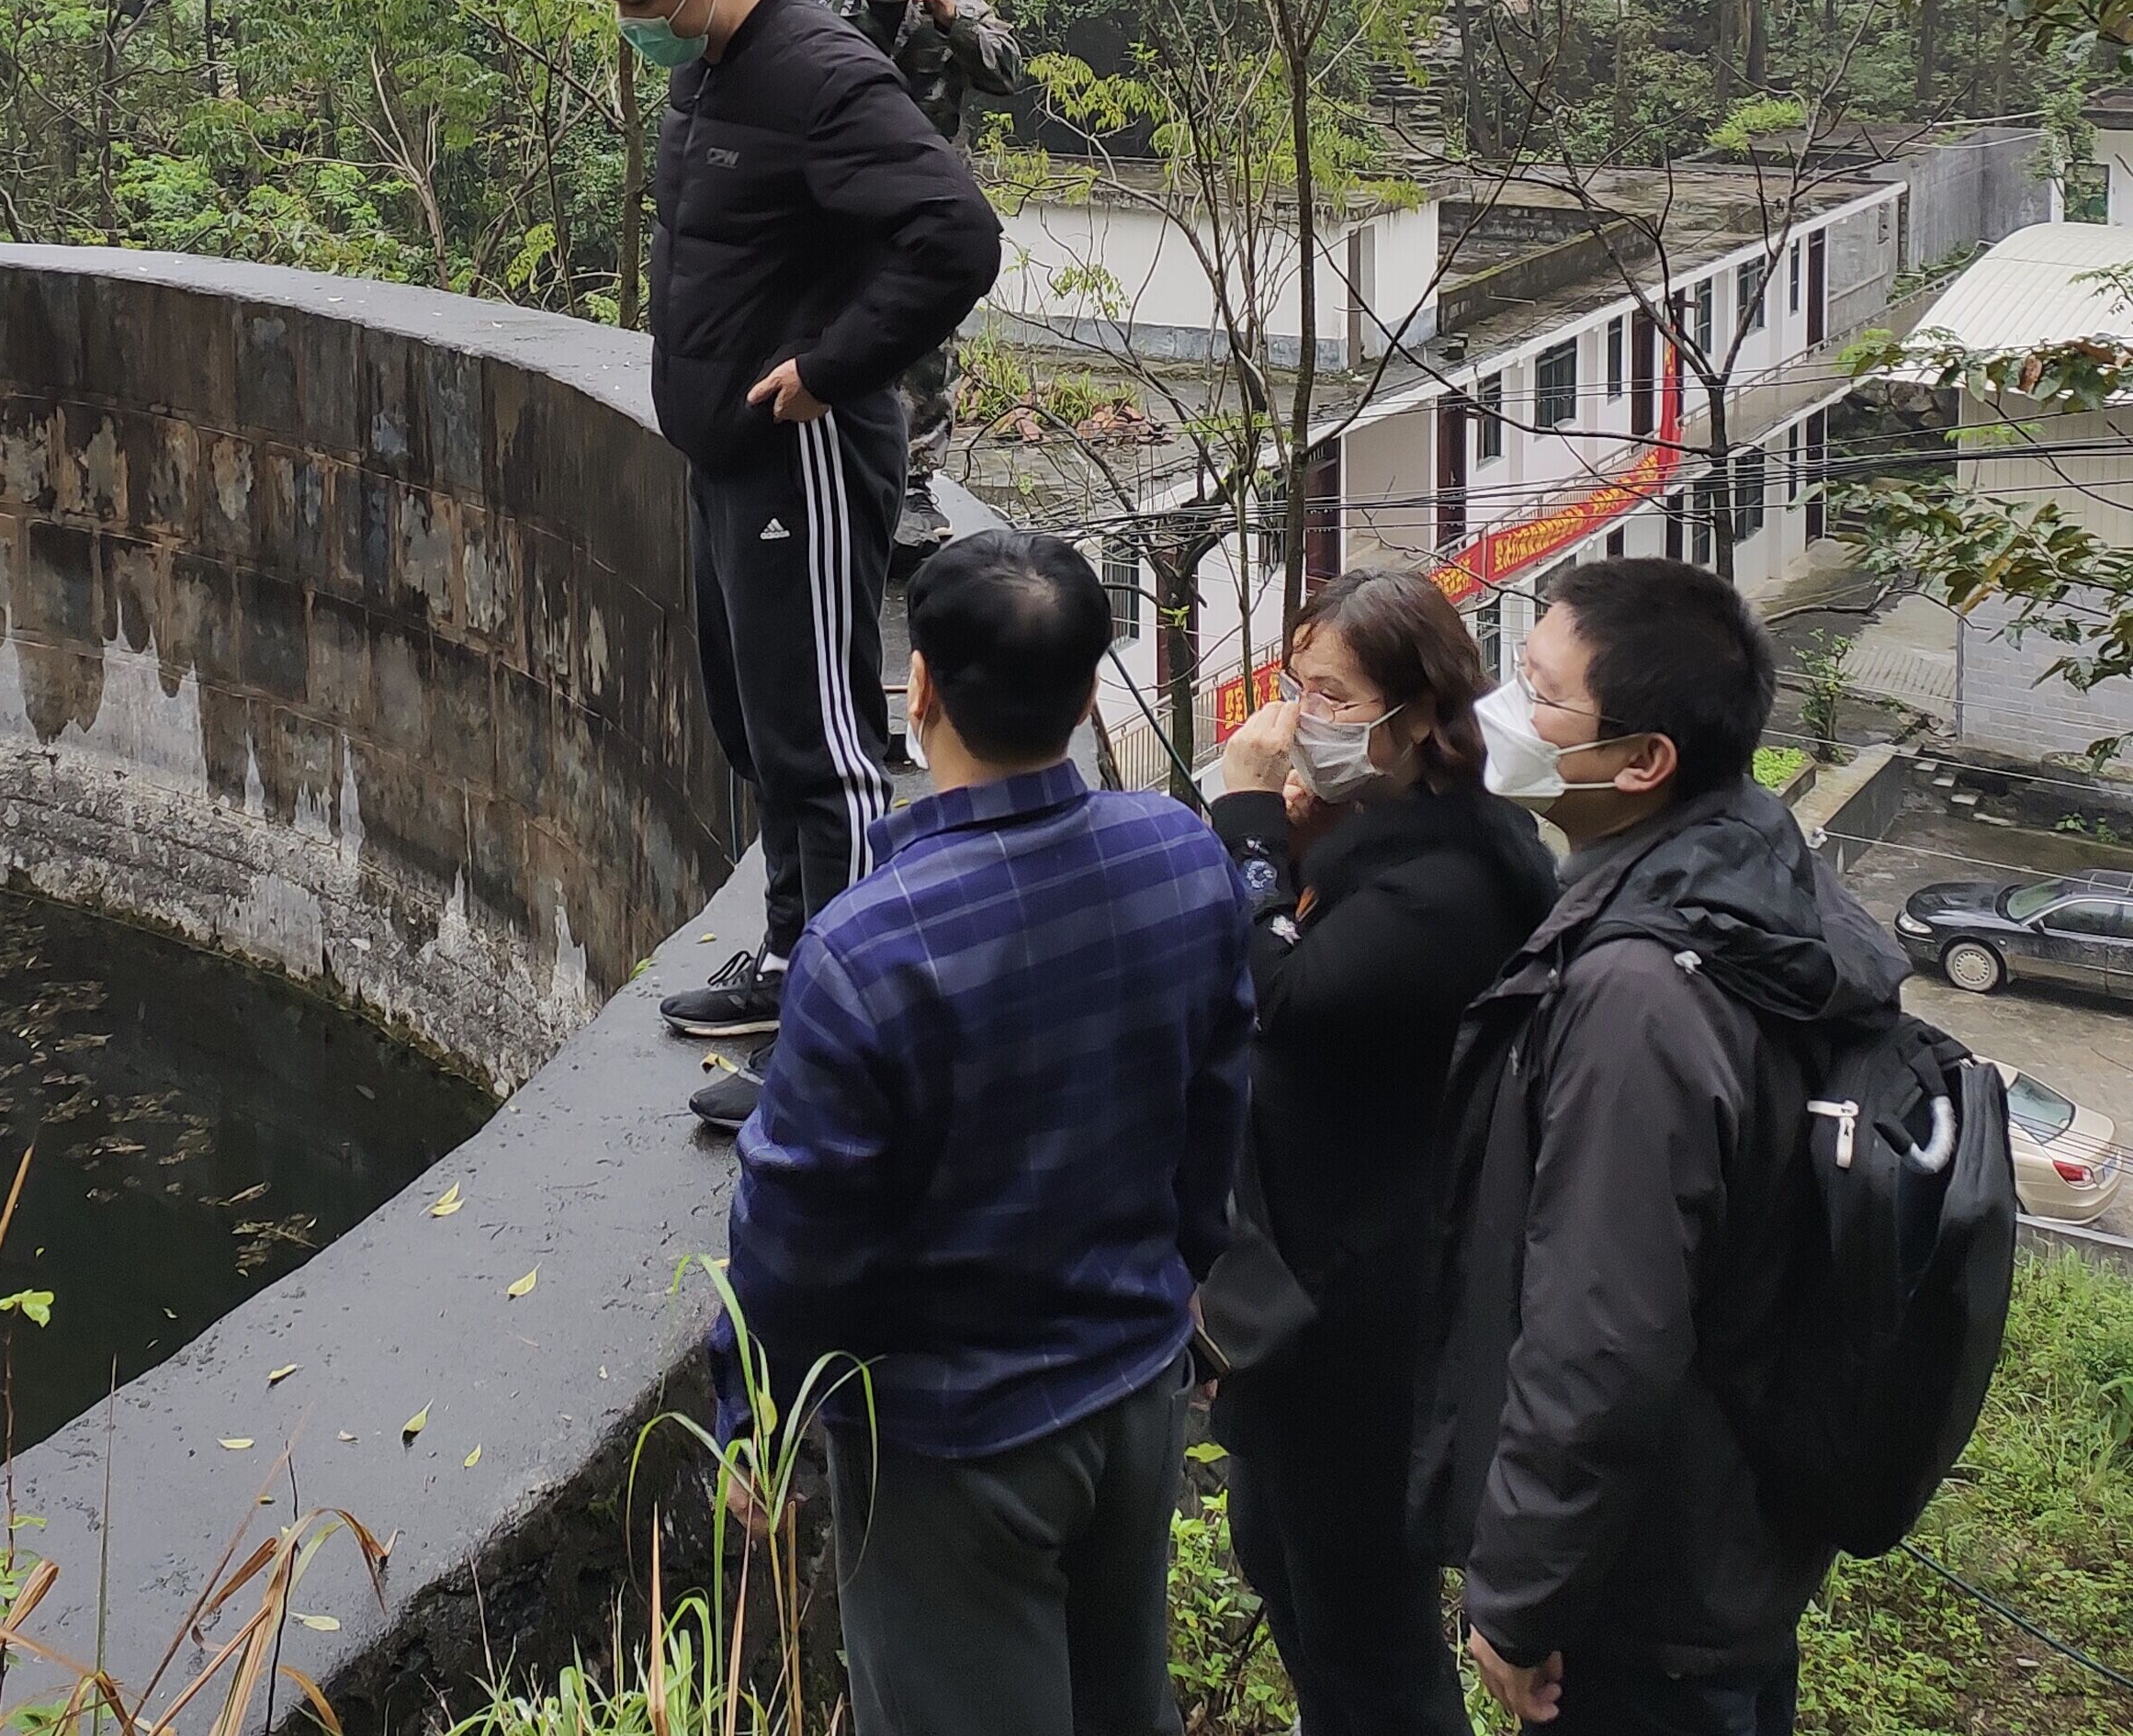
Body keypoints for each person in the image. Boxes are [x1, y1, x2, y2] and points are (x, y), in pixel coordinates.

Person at [718, 529, 1253, 1736]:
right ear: (1088, 689)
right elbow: (1216, 1106)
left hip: (954, 1443)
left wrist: (757, 1414)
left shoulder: (863, 950)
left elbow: (797, 1232)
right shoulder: (1181, 854)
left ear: (920, 693)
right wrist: (1182, 1276)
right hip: (1133, 1381)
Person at [1414, 558, 1908, 1736]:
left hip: (1643, 1594)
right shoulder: (1742, 864)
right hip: (1719, 1535)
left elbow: (1604, 1323)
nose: (1504, 713)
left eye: (1539, 694)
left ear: (1643, 762)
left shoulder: (1642, 990)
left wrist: (1521, 1594)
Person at [578, 0, 1002, 1130]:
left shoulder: (817, 73)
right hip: (728, 456)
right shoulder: (709, 65)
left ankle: (853, 1037)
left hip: (803, 458)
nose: (628, 22)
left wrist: (833, 365)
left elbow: (956, 234)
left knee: (824, 748)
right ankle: (786, 961)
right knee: (754, 726)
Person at [1202, 568, 1556, 1736]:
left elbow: (1286, 999)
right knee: (1280, 1556)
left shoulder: (1455, 878)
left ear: (1415, 716)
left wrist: (1249, 823)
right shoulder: (1387, 841)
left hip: (1365, 1317)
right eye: (1296, 684)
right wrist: (1305, 848)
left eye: (1331, 693)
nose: (1301, 715)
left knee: (1363, 1631)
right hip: (1300, 1288)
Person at [811, 0, 1021, 507]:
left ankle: (917, 481)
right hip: (847, 202)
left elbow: (1008, 73)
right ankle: (844, 465)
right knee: (841, 327)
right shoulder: (823, 6)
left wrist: (953, 23)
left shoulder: (953, 4)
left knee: (926, 340)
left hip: (929, 201)